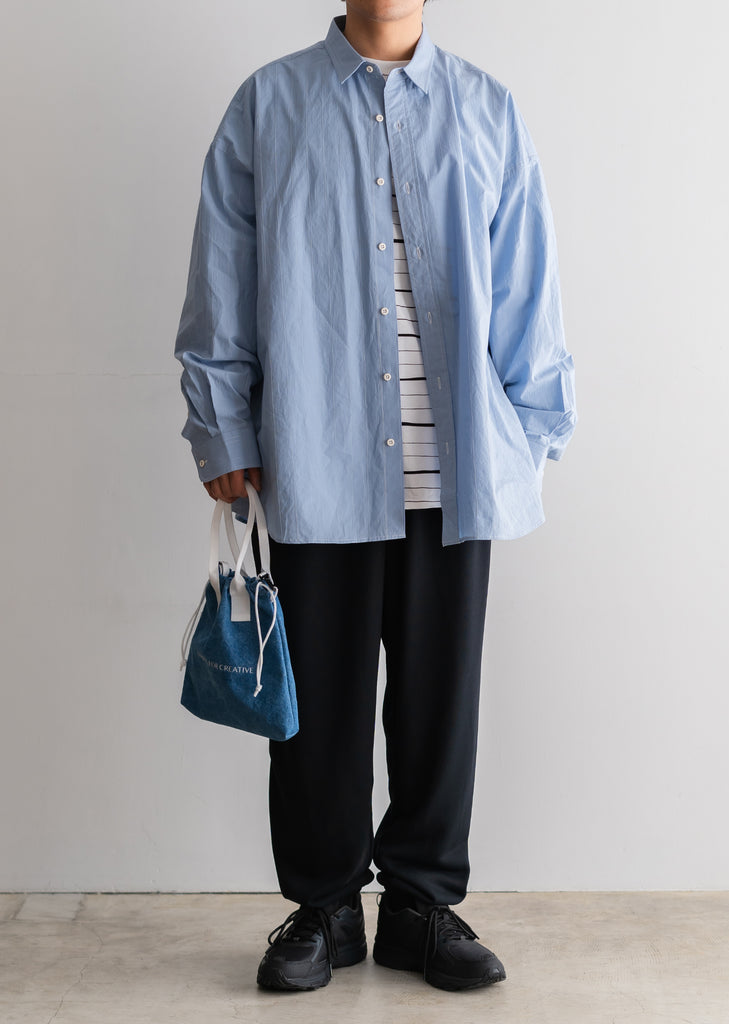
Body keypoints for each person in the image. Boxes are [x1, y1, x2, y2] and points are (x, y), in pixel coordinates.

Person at [173, 0, 576, 994]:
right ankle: (323, 907)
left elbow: (528, 284)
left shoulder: (488, 108)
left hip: (456, 464)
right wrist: (222, 425)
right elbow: (223, 274)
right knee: (320, 701)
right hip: (318, 455)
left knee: (441, 700)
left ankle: (421, 906)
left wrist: (530, 435)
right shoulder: (268, 105)